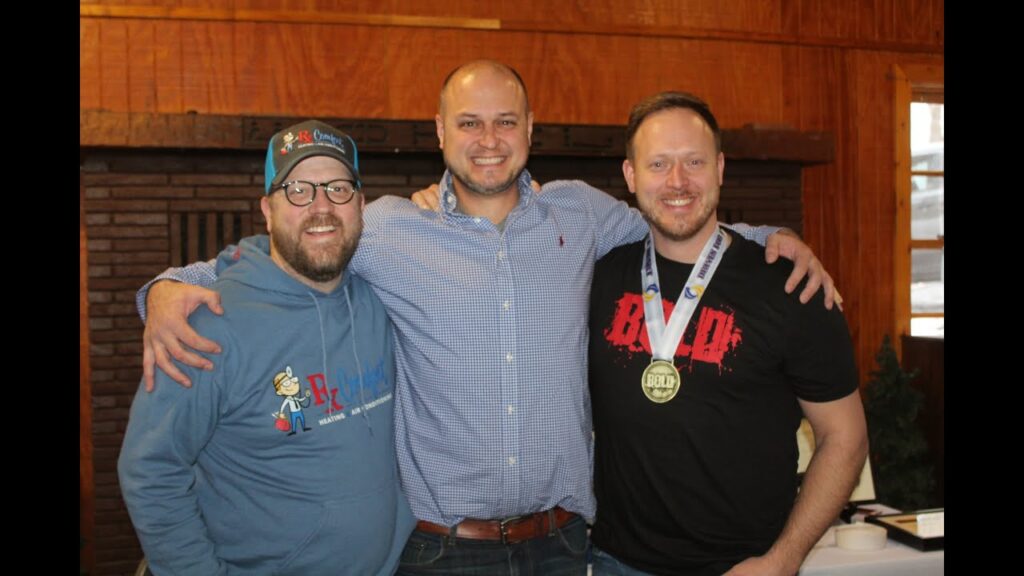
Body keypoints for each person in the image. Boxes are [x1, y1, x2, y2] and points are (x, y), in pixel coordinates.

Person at [136, 61, 836, 575]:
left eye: (506, 120)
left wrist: (773, 236)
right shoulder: (384, 228)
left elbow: (677, 218)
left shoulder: (581, 214)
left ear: (530, 130)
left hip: (565, 546)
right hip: (442, 551)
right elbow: (290, 247)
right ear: (440, 132)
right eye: (469, 122)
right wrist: (169, 286)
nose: (489, 138)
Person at [587, 92, 867, 576]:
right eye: (659, 164)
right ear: (631, 176)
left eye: (693, 162)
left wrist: (782, 560)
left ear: (719, 167)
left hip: (745, 567)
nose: (677, 182)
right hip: (616, 562)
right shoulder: (597, 277)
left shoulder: (791, 286)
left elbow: (846, 436)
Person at [118, 120, 414, 575]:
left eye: (337, 188)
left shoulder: (385, 296)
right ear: (267, 210)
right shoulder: (209, 324)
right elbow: (150, 470)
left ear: (360, 204)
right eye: (297, 189)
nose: (321, 207)